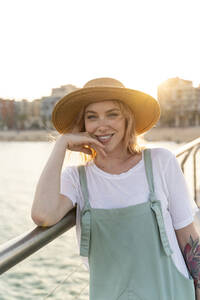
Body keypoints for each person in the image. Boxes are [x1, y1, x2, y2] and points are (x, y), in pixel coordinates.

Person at [31, 77, 200, 300]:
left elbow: (188, 237)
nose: (102, 125)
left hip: (169, 292)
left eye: (112, 114)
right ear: (83, 125)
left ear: (127, 119)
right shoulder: (76, 179)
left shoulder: (161, 161)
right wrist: (61, 145)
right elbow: (43, 215)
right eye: (92, 117)